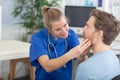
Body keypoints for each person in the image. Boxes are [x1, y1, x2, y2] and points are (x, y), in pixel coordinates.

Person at [29, 6, 91, 80]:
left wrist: (83, 55)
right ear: (49, 29)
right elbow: (47, 66)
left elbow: (80, 60)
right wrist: (70, 54)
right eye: (58, 29)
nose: (64, 31)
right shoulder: (38, 38)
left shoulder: (70, 34)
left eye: (65, 25)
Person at [75, 9, 120, 80]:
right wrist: (82, 56)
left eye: (87, 26)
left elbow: (88, 70)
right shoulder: (115, 59)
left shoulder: (86, 69)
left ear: (98, 34)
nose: (83, 29)